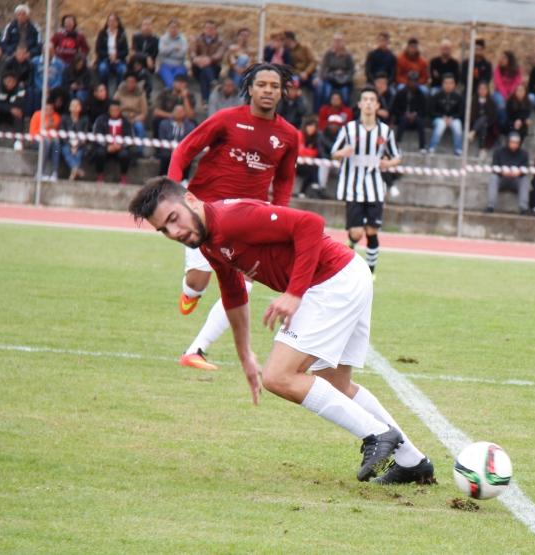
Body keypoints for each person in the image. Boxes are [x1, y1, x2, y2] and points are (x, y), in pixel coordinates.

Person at [127, 178, 436, 485]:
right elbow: (234, 294)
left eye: (173, 219)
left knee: (278, 376)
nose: (174, 232)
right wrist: (246, 354)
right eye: (164, 230)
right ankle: (412, 462)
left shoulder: (232, 219)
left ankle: (377, 433)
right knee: (336, 384)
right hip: (346, 275)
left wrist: (294, 293)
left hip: (332, 281)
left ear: (191, 200)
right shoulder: (208, 242)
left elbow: (310, 224)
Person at [167, 63, 301, 371]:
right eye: (262, 85)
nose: (268, 90)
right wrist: (174, 190)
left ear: (282, 93)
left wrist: (278, 216)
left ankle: (195, 351)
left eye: (274, 86)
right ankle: (191, 292)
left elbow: (283, 181)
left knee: (245, 284)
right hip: (205, 213)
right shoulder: (226, 120)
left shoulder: (289, 136)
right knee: (199, 278)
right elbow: (184, 150)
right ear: (250, 89)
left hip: (247, 220)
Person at [330, 86, 402, 275]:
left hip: (375, 187)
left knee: (372, 231)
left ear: (377, 105)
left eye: (372, 100)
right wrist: (342, 153)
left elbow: (397, 156)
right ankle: (352, 243)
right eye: (365, 99)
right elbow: (333, 154)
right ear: (360, 104)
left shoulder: (385, 132)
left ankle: (370, 273)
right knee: (356, 232)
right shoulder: (349, 129)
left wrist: (389, 163)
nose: (369, 103)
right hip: (353, 187)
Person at [90, 100, 137, 184]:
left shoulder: (125, 121)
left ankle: (123, 177)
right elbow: (96, 135)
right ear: (109, 110)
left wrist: (120, 146)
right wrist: (107, 146)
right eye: (112, 110)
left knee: (125, 155)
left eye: (116, 110)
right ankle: (100, 176)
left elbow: (130, 138)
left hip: (120, 147)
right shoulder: (101, 120)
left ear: (120, 110)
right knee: (99, 153)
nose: (114, 112)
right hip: (105, 147)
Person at [486, 131, 529, 214]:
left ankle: (523, 208)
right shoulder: (498, 152)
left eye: (517, 143)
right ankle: (490, 206)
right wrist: (502, 172)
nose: (514, 144)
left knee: (525, 180)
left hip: (516, 179)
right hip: (502, 178)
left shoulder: (524, 154)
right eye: (512, 142)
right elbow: (494, 167)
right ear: (508, 141)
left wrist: (519, 172)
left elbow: (525, 169)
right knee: (493, 178)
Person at [315, 34, 355, 110]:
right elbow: (323, 68)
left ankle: (345, 112)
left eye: (339, 41)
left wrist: (344, 76)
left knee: (345, 95)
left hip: (344, 81)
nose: (337, 43)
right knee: (326, 93)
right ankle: (321, 111)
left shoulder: (347, 56)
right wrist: (320, 77)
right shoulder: (328, 54)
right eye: (336, 41)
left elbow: (351, 70)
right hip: (330, 79)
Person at [427, 74, 464, 156]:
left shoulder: (459, 97)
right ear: (442, 84)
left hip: (453, 119)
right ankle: (431, 148)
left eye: (451, 83)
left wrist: (452, 118)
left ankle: (458, 149)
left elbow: (461, 113)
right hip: (438, 118)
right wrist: (442, 117)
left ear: (454, 84)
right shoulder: (436, 95)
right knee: (441, 124)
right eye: (446, 83)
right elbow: (431, 112)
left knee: (457, 124)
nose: (448, 85)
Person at [190, 21, 226, 103]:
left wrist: (209, 59)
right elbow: (192, 52)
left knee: (204, 73)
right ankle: (213, 82)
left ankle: (205, 100)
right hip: (197, 67)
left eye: (212, 28)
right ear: (203, 29)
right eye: (207, 28)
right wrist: (196, 59)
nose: (209, 30)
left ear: (215, 30)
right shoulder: (197, 39)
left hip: (214, 68)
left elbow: (220, 54)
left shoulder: (220, 41)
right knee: (204, 69)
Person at [392, 70, 427, 153]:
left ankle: (422, 147)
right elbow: (395, 108)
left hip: (416, 117)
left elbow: (424, 110)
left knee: (420, 122)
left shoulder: (421, 94)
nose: (413, 83)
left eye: (415, 81)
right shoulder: (400, 93)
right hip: (403, 117)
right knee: (403, 120)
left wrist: (415, 114)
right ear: (407, 81)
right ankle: (397, 145)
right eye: (411, 81)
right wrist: (404, 114)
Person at [157, 104, 196, 175]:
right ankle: (164, 176)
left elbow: (190, 141)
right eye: (177, 111)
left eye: (181, 111)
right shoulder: (164, 124)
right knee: (165, 156)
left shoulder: (190, 126)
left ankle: (184, 179)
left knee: (187, 158)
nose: (179, 113)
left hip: (183, 151)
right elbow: (162, 139)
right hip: (168, 150)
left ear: (184, 113)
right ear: (173, 112)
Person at [95, 13, 129, 92]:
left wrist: (116, 56)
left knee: (123, 70)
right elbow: (98, 49)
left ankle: (118, 92)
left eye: (114, 21)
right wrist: (109, 56)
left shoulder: (122, 34)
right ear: (107, 22)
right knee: (102, 69)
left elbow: (126, 51)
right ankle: (104, 91)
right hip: (105, 59)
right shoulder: (102, 34)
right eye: (110, 21)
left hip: (118, 60)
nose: (112, 23)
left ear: (117, 22)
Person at [29, 99, 61, 181]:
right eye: (46, 109)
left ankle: (55, 172)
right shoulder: (37, 115)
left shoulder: (56, 116)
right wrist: (44, 128)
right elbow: (32, 132)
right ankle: (40, 172)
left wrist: (51, 127)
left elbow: (55, 132)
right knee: (46, 143)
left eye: (51, 109)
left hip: (51, 141)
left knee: (56, 143)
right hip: (37, 140)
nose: (48, 111)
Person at [59, 97, 90, 180]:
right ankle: (77, 169)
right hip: (67, 143)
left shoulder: (85, 119)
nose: (75, 107)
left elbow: (85, 135)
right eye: (73, 105)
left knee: (79, 153)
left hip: (80, 144)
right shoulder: (64, 118)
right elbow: (62, 134)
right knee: (66, 150)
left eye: (77, 105)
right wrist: (71, 145)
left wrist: (77, 146)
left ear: (80, 107)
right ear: (69, 107)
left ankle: (74, 171)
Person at [296, 117, 325, 199]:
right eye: (310, 126)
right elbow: (300, 151)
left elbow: (317, 152)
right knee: (312, 169)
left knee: (312, 168)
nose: (312, 129)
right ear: (305, 126)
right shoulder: (299, 134)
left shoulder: (317, 137)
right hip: (294, 164)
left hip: (307, 164)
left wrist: (307, 153)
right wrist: (309, 152)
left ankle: (304, 192)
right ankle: (315, 186)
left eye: (314, 127)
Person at [468, 81, 499, 155]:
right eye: (480, 89)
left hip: (488, 124)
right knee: (483, 122)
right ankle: (482, 148)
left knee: (484, 120)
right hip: (474, 122)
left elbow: (493, 116)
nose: (482, 91)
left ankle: (473, 132)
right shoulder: (473, 100)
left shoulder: (491, 102)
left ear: (487, 90)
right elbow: (470, 114)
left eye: (484, 89)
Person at [492, 50, 521, 125]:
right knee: (501, 104)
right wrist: (505, 96)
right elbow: (499, 84)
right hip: (499, 93)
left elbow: (517, 83)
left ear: (510, 59)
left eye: (504, 58)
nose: (502, 59)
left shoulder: (517, 69)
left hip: (512, 93)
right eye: (501, 58)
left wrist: (510, 94)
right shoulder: (498, 69)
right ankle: (503, 125)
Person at [157, 19, 188, 89]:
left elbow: (182, 54)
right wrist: (174, 47)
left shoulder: (183, 39)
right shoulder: (163, 38)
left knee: (178, 83)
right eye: (171, 27)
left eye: (175, 27)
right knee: (170, 83)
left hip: (179, 65)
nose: (173, 29)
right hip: (165, 65)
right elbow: (162, 52)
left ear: (178, 29)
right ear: (168, 28)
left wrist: (168, 51)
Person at [115, 73, 148, 138]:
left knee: (139, 127)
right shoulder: (119, 92)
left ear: (136, 83)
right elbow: (113, 106)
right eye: (128, 82)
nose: (130, 84)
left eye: (132, 82)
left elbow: (144, 113)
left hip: (135, 118)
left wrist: (134, 120)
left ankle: (139, 147)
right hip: (121, 117)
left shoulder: (141, 94)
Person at [0, 72, 27, 136]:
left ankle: (18, 140)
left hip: (13, 113)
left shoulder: (20, 89)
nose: (10, 84)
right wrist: (10, 109)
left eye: (13, 81)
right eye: (8, 81)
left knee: (18, 114)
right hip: (1, 112)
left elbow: (20, 102)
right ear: (3, 80)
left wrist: (11, 109)